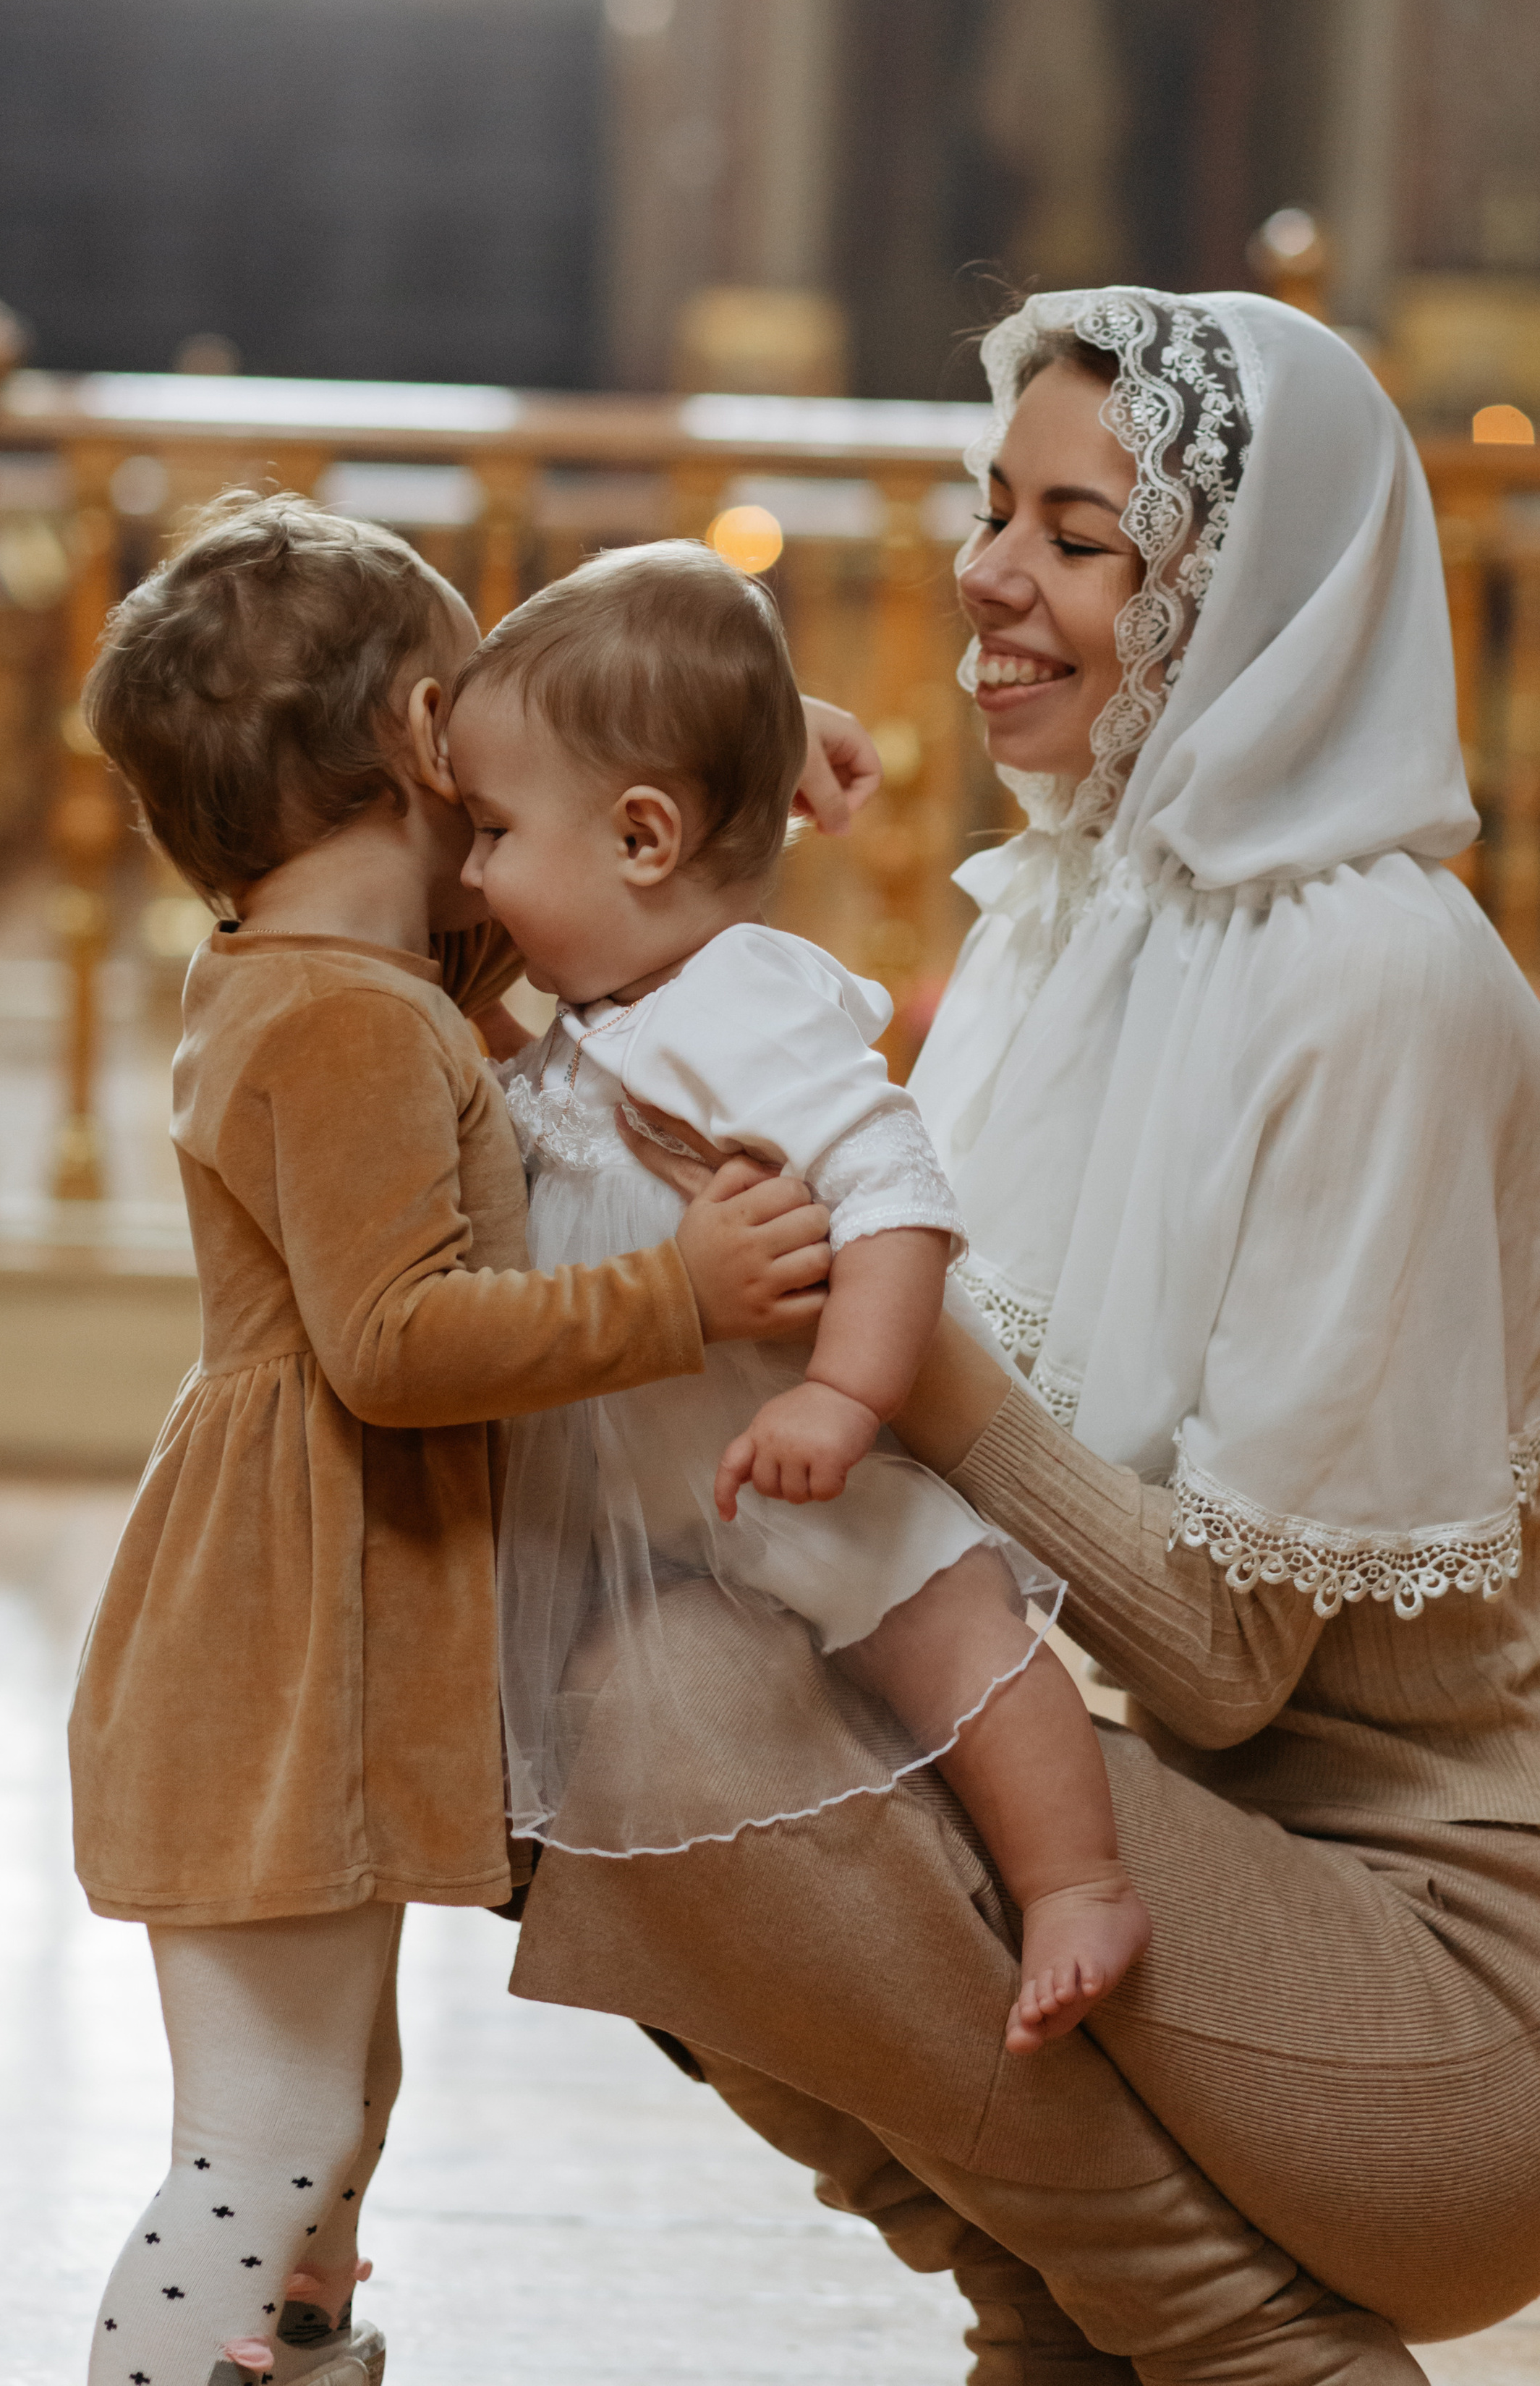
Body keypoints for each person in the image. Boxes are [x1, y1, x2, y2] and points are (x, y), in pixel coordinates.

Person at [508, 292, 1540, 2384]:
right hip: (1197, 1902)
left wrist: (911, 1363)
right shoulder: (1076, 903)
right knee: (547, 1679)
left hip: (1443, 2009)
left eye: (1079, 537)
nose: (985, 573)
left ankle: (1217, 2338)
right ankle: (1055, 2323)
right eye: (999, 511)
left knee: (677, 1718)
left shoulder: (1382, 981)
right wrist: (698, 803)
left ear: (1247, 594)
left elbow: (1242, 1672)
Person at [65, 499, 845, 2386]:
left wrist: (750, 773)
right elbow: (398, 1342)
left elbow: (548, 940)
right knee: (266, 2148)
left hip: (300, 1632)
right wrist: (682, 1293)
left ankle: (299, 2356)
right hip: (280, 1646)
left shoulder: (336, 984)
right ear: (428, 732)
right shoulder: (345, 1027)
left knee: (331, 2127)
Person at [445, 540, 1150, 2047]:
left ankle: (1077, 1882)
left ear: (641, 839)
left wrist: (842, 1394)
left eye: (492, 831)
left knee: (950, 1617)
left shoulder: (738, 1003)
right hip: (640, 1506)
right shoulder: (597, 1013)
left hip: (786, 1474)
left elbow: (895, 1193)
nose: (469, 871)